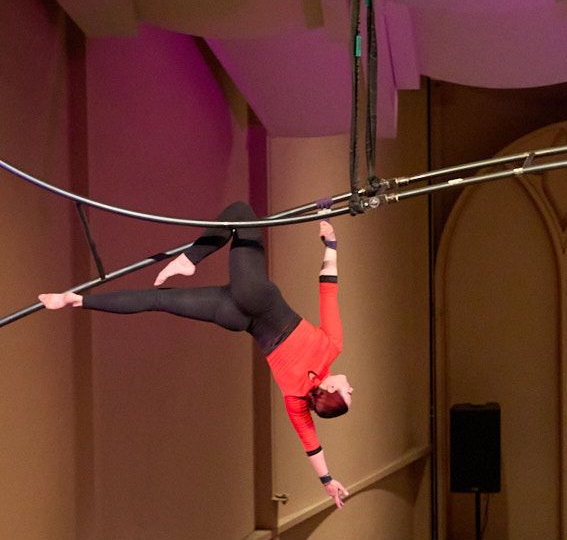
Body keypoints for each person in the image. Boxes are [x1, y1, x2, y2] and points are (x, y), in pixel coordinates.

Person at [41, 207, 354, 507]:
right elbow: (311, 445)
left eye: (347, 394)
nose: (350, 388)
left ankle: (190, 259)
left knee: (241, 214)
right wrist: (326, 481)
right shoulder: (296, 400)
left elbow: (328, 289)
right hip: (235, 317)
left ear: (329, 390)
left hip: (255, 297)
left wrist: (332, 247)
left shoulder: (332, 347)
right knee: (157, 300)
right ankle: (75, 301)